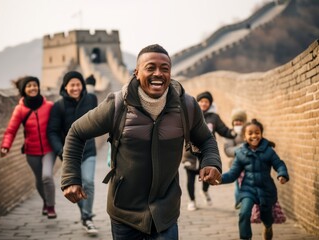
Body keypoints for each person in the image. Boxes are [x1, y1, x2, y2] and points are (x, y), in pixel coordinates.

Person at [61, 44, 222, 240]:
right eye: (150, 67)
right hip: (124, 213)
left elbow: (206, 139)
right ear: (136, 73)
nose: (158, 73)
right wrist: (71, 177)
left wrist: (211, 162)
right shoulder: (118, 105)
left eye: (165, 68)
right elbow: (76, 132)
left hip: (165, 213)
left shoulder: (186, 106)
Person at [47, 71, 98, 235]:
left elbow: (99, 118)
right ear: (65, 86)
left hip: (89, 149)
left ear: (82, 85)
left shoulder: (91, 99)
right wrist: (61, 151)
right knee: (75, 186)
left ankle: (87, 217)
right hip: (69, 154)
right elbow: (52, 132)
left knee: (88, 182)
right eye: (72, 85)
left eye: (78, 84)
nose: (76, 88)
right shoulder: (59, 106)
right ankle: (85, 215)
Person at [220, 119, 289, 240]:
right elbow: (232, 174)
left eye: (257, 132)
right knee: (244, 213)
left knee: (267, 217)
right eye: (250, 133)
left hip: (266, 189)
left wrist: (282, 174)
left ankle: (268, 226)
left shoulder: (269, 151)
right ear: (244, 137)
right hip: (248, 189)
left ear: (261, 134)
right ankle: (245, 237)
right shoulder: (241, 153)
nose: (254, 136)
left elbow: (279, 164)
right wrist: (219, 179)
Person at [0, 76, 57, 218]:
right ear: (23, 90)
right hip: (31, 151)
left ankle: (50, 206)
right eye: (29, 86)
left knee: (47, 176)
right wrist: (5, 146)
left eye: (35, 85)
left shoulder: (49, 106)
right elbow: (11, 130)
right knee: (39, 179)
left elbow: (57, 126)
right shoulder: (20, 110)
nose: (32, 88)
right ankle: (45, 200)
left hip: (49, 149)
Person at [183, 91, 236, 209]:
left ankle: (205, 191)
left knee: (207, 176)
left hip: (206, 154)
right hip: (190, 154)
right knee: (190, 178)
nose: (203, 104)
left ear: (210, 104)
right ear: (197, 102)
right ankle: (192, 201)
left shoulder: (214, 117)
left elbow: (223, 130)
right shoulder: (191, 115)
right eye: (201, 101)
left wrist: (233, 133)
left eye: (206, 102)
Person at [223, 109, 247, 209]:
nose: (238, 122)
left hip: (249, 164)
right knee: (238, 185)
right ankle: (238, 203)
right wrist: (242, 148)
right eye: (236, 121)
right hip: (236, 164)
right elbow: (228, 150)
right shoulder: (230, 134)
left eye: (240, 121)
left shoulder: (248, 131)